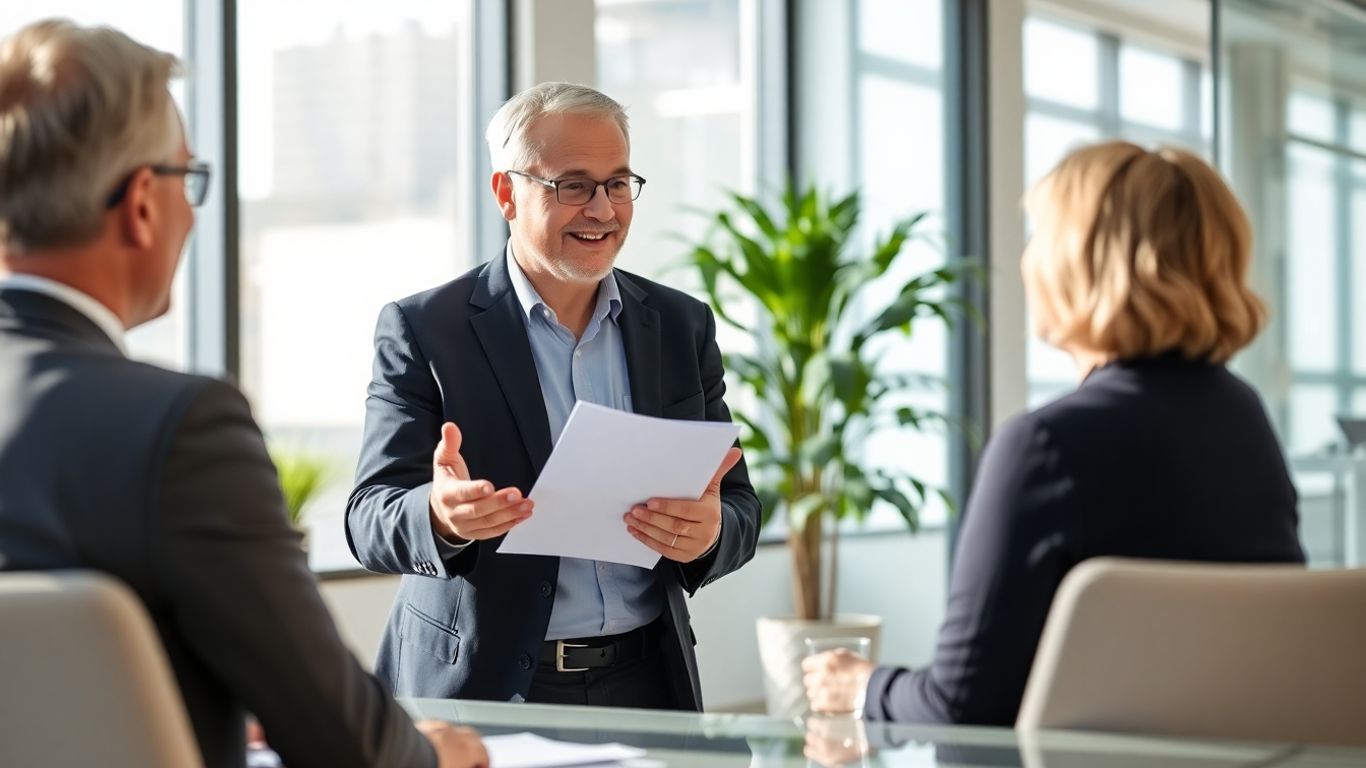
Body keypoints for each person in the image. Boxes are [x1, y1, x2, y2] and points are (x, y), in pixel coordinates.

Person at [0, 19, 486, 768]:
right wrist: (440, 756)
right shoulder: (177, 428)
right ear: (140, 203)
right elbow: (346, 745)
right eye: (187, 179)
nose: (191, 213)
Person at [803, 141, 1306, 725]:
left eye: (1039, 235)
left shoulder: (1044, 447)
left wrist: (865, 686)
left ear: (1080, 261)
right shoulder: (1245, 420)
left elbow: (960, 709)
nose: (1027, 258)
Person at [346, 82, 761, 711]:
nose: (602, 209)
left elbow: (738, 508)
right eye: (573, 185)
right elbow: (368, 516)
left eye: (618, 184)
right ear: (507, 193)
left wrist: (708, 535)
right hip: (488, 689)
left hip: (648, 682)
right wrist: (440, 516)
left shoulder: (681, 325)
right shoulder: (426, 329)